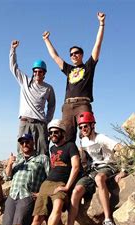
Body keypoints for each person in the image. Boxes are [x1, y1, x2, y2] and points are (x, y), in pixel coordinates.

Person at [56, 112, 128, 225]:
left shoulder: (101, 138)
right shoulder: (83, 141)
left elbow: (121, 148)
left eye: (85, 126)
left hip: (108, 167)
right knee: (76, 190)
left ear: (92, 125)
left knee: (100, 179)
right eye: (81, 127)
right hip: (92, 170)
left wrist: (123, 170)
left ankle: (108, 221)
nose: (83, 129)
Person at [14, 119, 80, 225]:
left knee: (57, 206)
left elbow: (76, 167)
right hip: (46, 184)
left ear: (62, 133)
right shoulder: (52, 148)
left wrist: (67, 186)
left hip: (61, 184)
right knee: (38, 216)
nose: (53, 135)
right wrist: (41, 191)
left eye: (56, 132)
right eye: (51, 133)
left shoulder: (70, 146)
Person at [42, 12, 106, 142]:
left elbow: (97, 45)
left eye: (76, 53)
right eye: (71, 54)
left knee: (86, 133)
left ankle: (87, 161)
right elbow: (55, 56)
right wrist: (46, 40)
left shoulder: (88, 67)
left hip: (83, 103)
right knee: (66, 136)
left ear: (82, 55)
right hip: (68, 106)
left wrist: (101, 24)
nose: (73, 55)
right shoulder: (69, 69)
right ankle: (70, 161)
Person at [0, 133, 50, 225]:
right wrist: (9, 164)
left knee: (19, 222)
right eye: (22, 142)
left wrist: (42, 193)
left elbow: (50, 178)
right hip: (13, 194)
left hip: (27, 195)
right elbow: (7, 177)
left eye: (27, 141)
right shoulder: (19, 159)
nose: (25, 144)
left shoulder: (42, 158)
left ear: (33, 142)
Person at [10, 40, 56, 156]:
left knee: (42, 151)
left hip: (40, 124)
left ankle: (44, 174)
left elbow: (52, 105)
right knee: (22, 151)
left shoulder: (48, 88)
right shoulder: (25, 81)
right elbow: (13, 67)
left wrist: (47, 120)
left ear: (44, 73)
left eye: (40, 72)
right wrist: (13, 50)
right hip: (25, 122)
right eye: (35, 71)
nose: (37, 74)